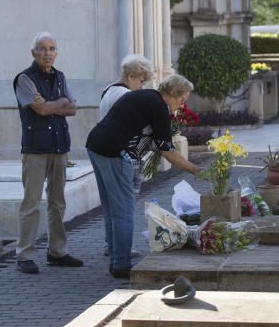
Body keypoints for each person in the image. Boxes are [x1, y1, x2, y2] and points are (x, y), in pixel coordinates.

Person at [86, 73, 200, 279]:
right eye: (182, 100)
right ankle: (121, 265)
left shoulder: (147, 96)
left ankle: (115, 258)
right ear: (172, 94)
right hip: (115, 152)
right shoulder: (158, 106)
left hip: (96, 146)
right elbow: (167, 150)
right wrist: (197, 170)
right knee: (123, 210)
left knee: (112, 208)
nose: (182, 106)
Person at [13, 32, 83, 274]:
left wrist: (56, 103)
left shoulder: (60, 76)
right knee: (31, 203)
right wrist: (59, 103)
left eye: (52, 48)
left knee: (58, 202)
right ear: (34, 52)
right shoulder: (25, 78)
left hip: (59, 146)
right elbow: (40, 110)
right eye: (42, 49)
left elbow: (73, 109)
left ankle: (57, 251)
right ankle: (24, 255)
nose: (47, 53)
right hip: (35, 149)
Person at [99, 54, 154, 257]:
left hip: (104, 151)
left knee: (110, 205)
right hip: (121, 154)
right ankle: (122, 250)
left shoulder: (108, 90)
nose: (141, 86)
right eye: (141, 81)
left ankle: (110, 244)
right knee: (124, 205)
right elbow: (138, 127)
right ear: (131, 76)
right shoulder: (124, 95)